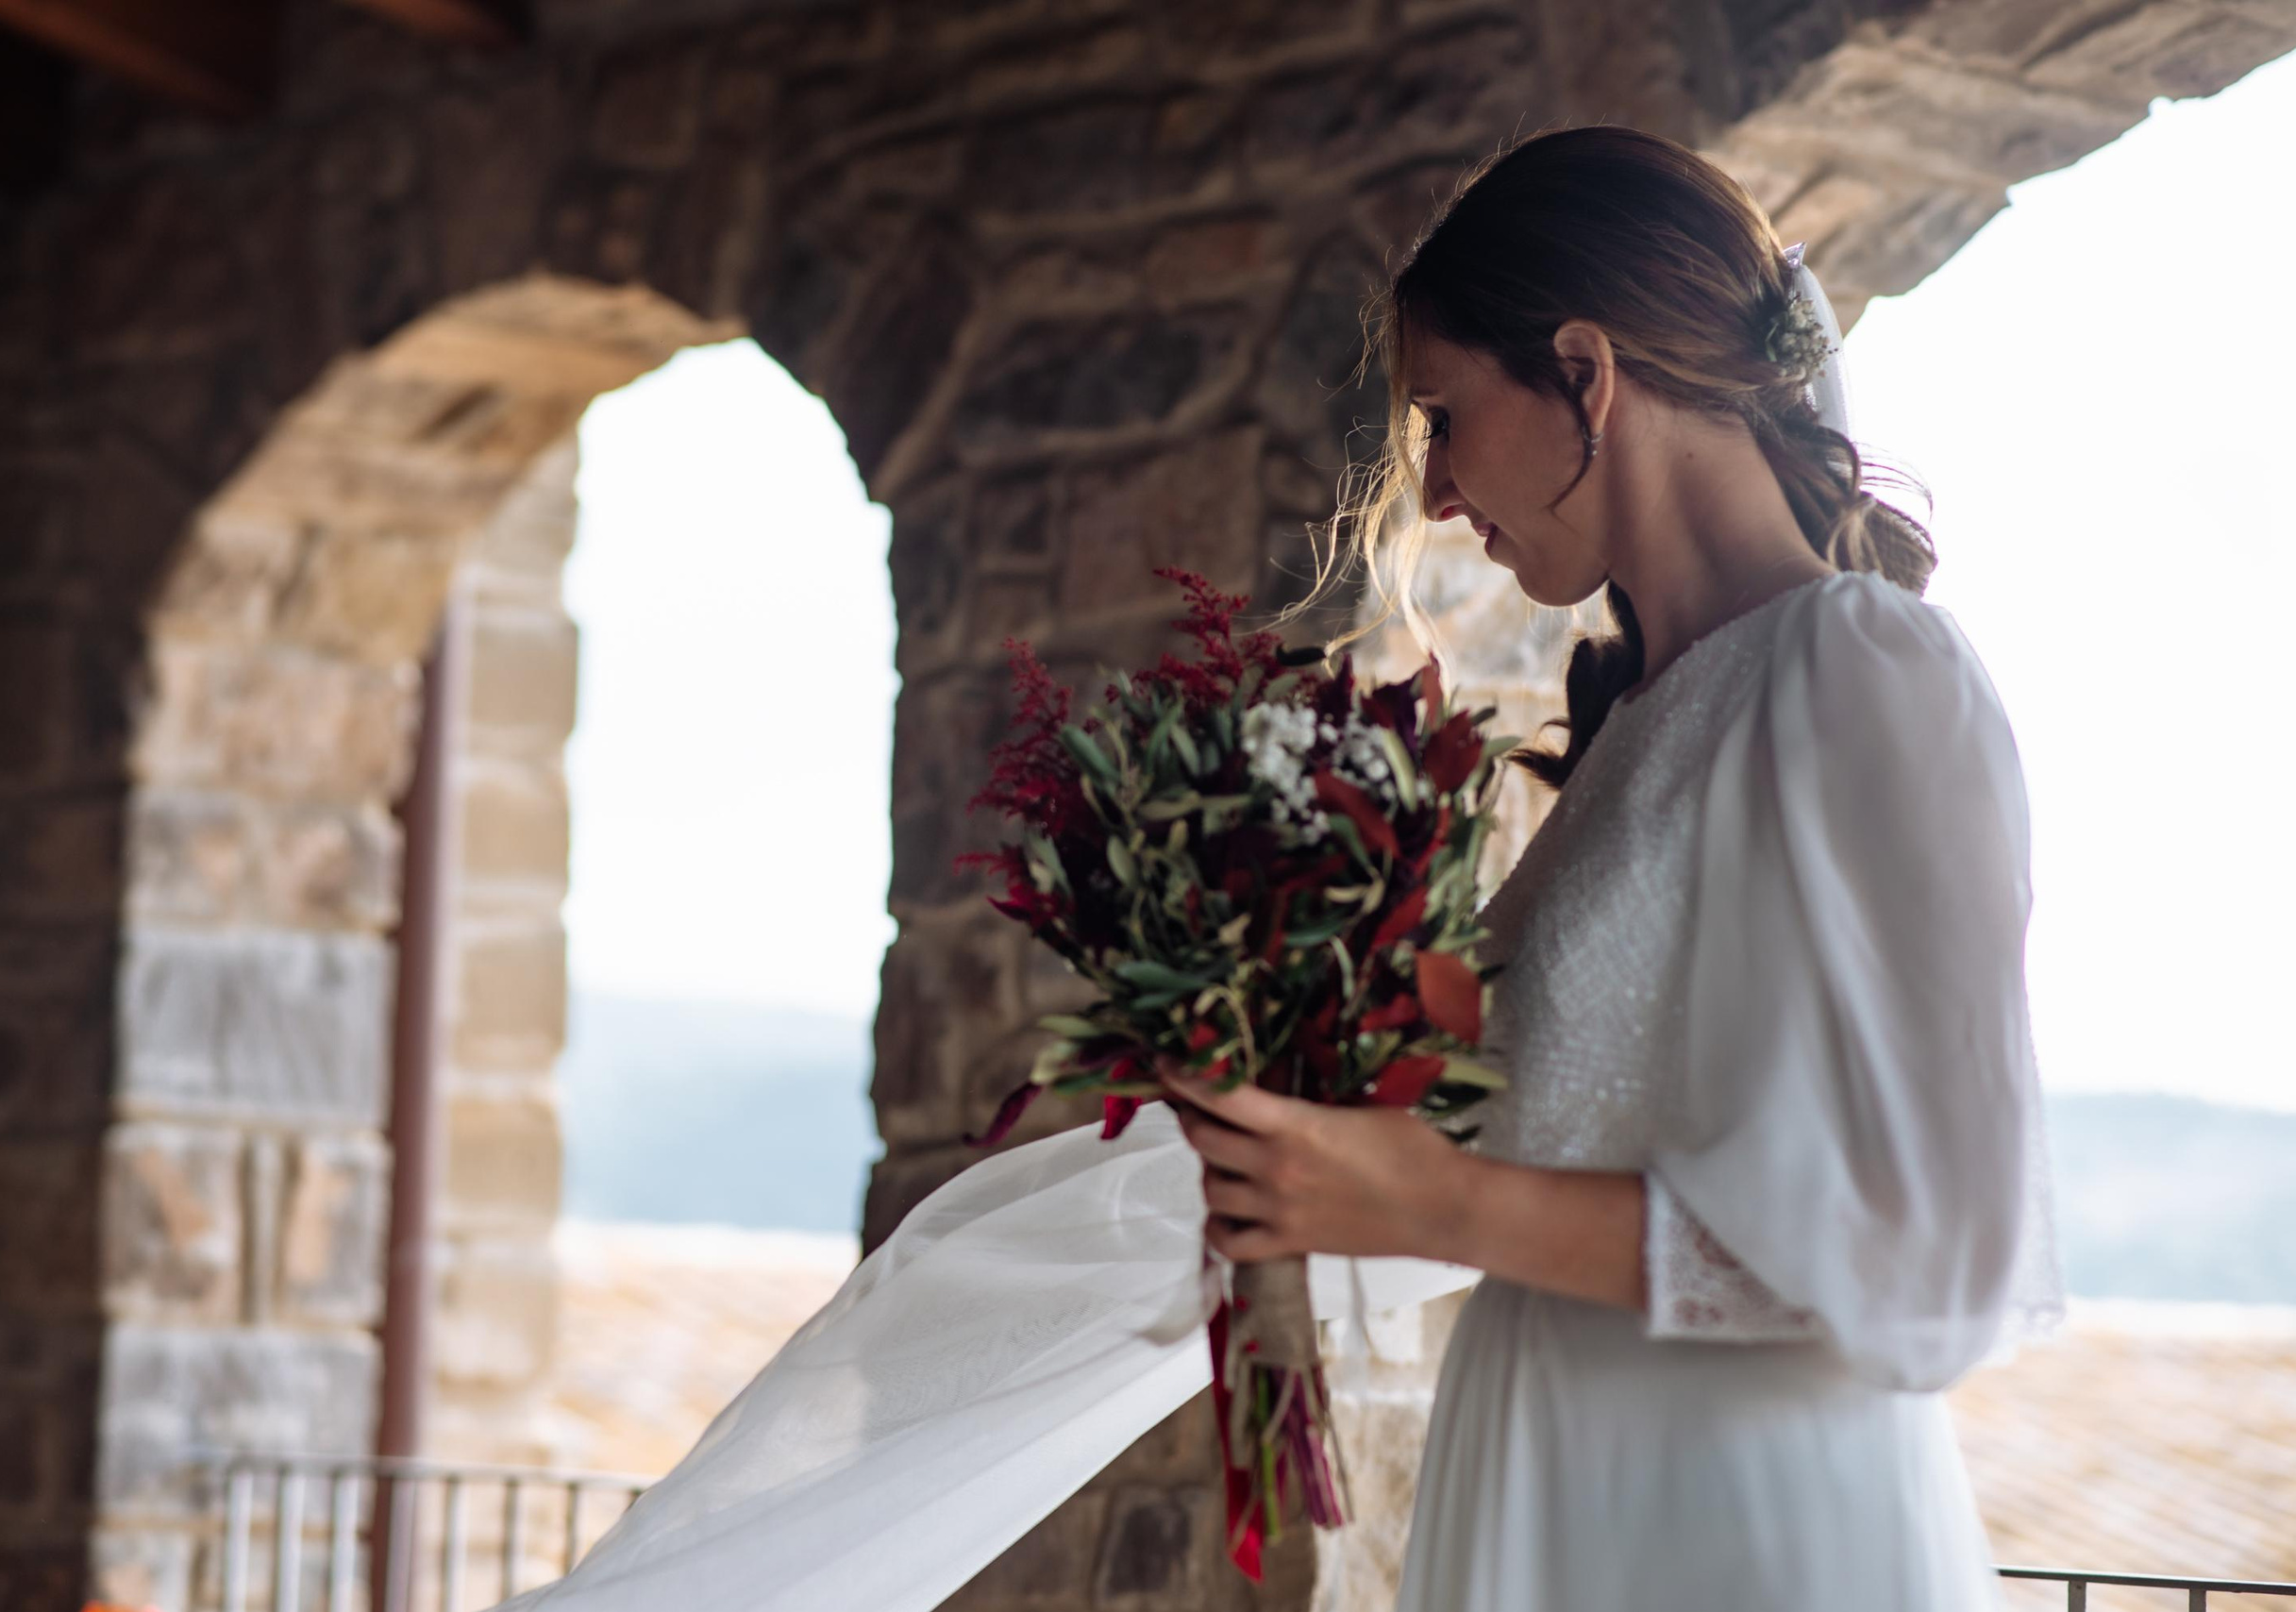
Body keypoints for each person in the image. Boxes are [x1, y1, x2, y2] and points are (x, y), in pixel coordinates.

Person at [488, 125, 2062, 1612]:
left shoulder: (1865, 674)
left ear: (1585, 374)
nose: (1437, 491)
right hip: (1547, 1472)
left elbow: (1936, 1257)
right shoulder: (1647, 721)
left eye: (1444, 418)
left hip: (1740, 1522)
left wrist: (1435, 1199)